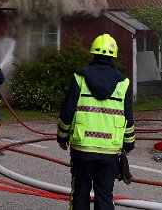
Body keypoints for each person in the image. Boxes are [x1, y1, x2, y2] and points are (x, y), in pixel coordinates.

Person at [56, 34, 135, 210]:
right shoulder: (123, 83)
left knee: (80, 194)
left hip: (82, 150)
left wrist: (62, 138)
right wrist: (129, 144)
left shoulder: (80, 78)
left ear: (93, 53)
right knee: (104, 196)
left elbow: (67, 112)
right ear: (113, 55)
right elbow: (128, 118)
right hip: (110, 152)